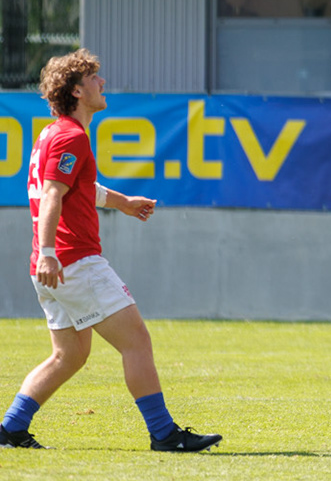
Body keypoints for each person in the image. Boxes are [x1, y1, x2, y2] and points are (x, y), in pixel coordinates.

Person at [2, 50, 220, 452]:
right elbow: (51, 194)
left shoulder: (53, 134)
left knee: (69, 355)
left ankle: (11, 427)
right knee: (136, 340)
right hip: (72, 261)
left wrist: (123, 203)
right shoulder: (71, 135)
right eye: (94, 78)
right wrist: (50, 250)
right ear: (77, 91)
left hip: (52, 265)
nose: (102, 83)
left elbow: (78, 190)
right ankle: (164, 434)